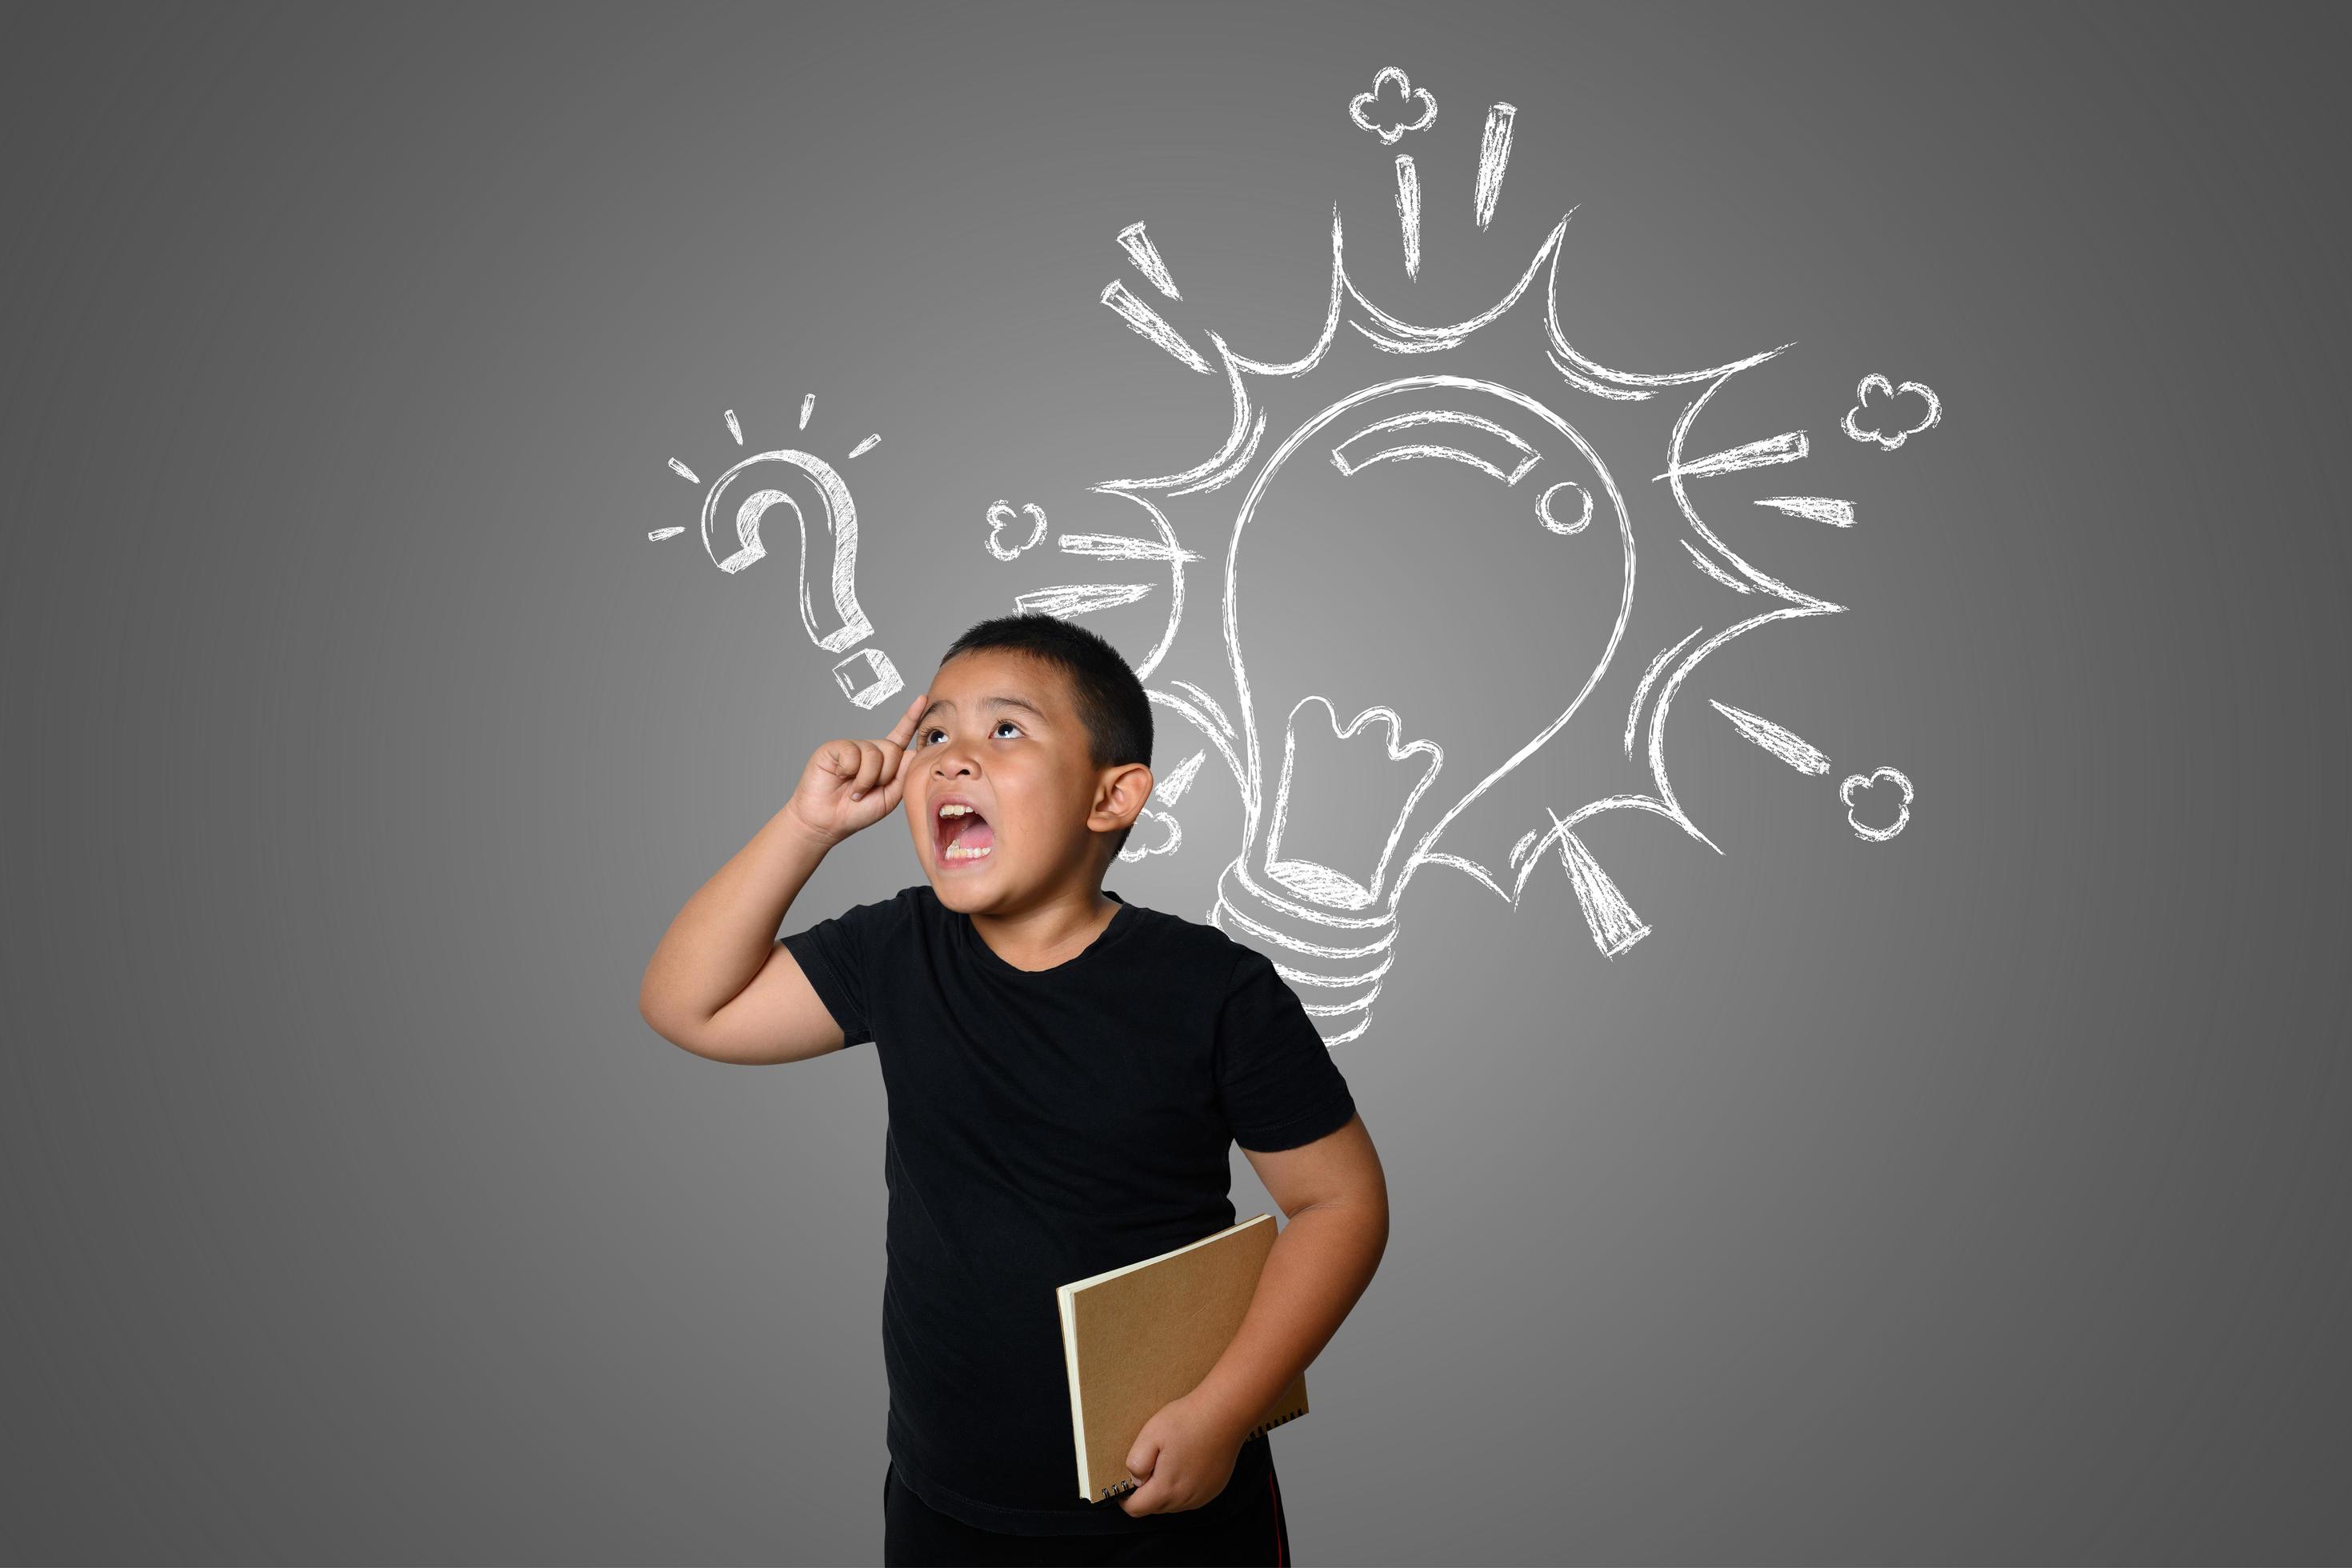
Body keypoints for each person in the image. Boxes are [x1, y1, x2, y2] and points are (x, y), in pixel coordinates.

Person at [639, 612, 1390, 1566]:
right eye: (933, 733)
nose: (952, 757)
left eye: (1004, 730)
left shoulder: (1215, 989)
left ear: (1111, 796)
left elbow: (1342, 1203)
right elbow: (687, 1005)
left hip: (1166, 1487)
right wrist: (806, 827)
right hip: (945, 1499)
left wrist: (1223, 1411)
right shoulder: (896, 948)